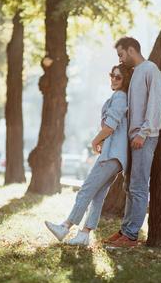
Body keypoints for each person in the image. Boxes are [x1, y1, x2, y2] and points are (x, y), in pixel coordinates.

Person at [45, 64, 131, 246]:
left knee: (86, 190)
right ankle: (84, 235)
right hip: (115, 156)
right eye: (112, 76)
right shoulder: (119, 97)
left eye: (118, 77)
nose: (114, 80)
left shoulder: (121, 96)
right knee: (97, 195)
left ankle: (65, 227)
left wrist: (94, 141)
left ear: (125, 81)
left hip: (112, 154)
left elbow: (110, 126)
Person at [103, 36, 161, 248]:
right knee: (129, 185)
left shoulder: (150, 69)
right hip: (132, 137)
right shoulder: (135, 73)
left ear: (131, 51)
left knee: (139, 186)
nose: (120, 60)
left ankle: (131, 237)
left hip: (144, 137)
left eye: (121, 55)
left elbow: (158, 102)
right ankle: (125, 229)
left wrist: (144, 132)